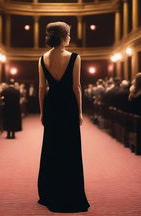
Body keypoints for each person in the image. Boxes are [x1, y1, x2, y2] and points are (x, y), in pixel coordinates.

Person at [38, 22, 90, 213]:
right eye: (69, 35)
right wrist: (80, 112)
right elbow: (76, 87)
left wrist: (42, 112)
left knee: (51, 148)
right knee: (69, 149)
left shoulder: (42, 58)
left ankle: (49, 192)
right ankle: (70, 192)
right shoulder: (75, 57)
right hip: (68, 106)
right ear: (63, 36)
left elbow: (42, 89)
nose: (70, 38)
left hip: (51, 106)